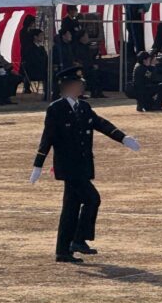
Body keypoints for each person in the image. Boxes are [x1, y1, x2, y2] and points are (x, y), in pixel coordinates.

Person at [31, 66, 140, 263]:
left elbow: (101, 124)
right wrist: (38, 165)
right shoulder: (56, 109)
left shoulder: (83, 107)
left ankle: (63, 251)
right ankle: (78, 239)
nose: (82, 86)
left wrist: (123, 138)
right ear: (68, 86)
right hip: (68, 168)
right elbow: (47, 138)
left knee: (71, 208)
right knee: (92, 199)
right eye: (78, 84)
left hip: (83, 166)